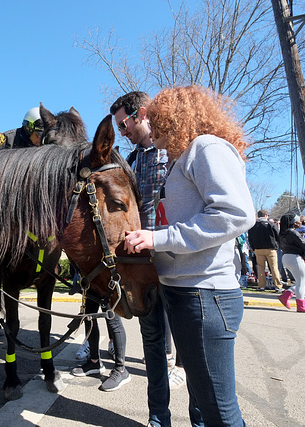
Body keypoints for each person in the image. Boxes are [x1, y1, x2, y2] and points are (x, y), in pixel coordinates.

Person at [125, 86, 255, 426]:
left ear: (174, 119)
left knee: (220, 413)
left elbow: (235, 214)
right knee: (210, 406)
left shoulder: (206, 148)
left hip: (204, 295)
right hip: (185, 291)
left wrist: (158, 238)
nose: (152, 132)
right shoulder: (183, 158)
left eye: (156, 123)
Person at [110, 91, 179, 424]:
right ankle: (158, 418)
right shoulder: (131, 160)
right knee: (151, 343)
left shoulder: (174, 150)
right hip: (144, 266)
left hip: (179, 261)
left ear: (142, 114)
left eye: (124, 124)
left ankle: (200, 417)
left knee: (190, 347)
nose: (123, 133)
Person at [277, 213, 305, 312]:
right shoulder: (293, 233)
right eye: (298, 220)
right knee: (302, 282)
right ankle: (300, 305)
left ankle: (286, 295)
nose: (301, 222)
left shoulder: (283, 233)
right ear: (293, 222)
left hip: (286, 257)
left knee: (304, 281)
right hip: (295, 257)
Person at [248, 210, 285, 291]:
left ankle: (261, 285)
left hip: (258, 249)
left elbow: (250, 238)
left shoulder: (253, 226)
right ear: (266, 215)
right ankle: (278, 286)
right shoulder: (271, 224)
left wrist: (253, 248)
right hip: (270, 248)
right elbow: (277, 235)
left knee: (261, 268)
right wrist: (277, 245)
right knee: (274, 267)